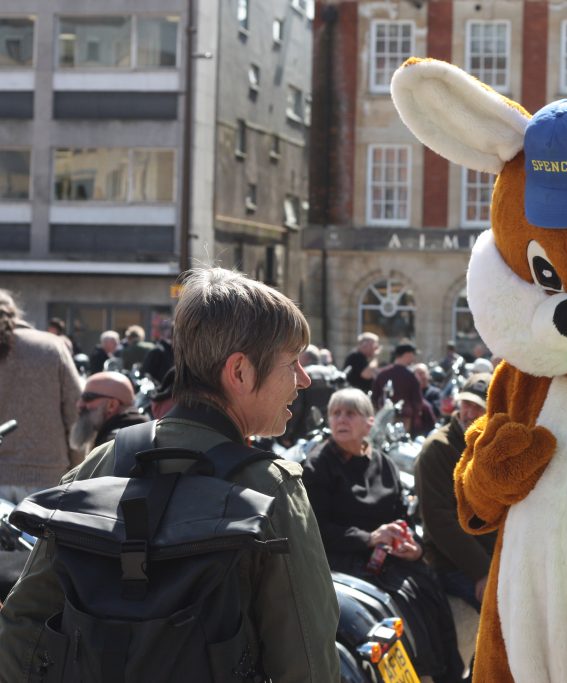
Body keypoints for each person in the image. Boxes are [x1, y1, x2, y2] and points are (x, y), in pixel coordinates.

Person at [0, 268, 341, 683]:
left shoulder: (99, 465)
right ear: (239, 372)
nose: (303, 380)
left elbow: (23, 623)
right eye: (293, 362)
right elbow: (307, 662)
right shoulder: (272, 490)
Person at [302, 388, 463, 682]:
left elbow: (400, 513)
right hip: (342, 557)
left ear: (369, 423)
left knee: (426, 583)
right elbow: (316, 529)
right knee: (395, 600)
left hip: (387, 553)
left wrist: (409, 544)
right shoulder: (317, 466)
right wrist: (368, 538)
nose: (341, 419)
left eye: (350, 413)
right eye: (336, 413)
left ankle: (444, 671)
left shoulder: (384, 463)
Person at [416, 373, 496, 610]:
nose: (469, 413)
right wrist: (481, 570)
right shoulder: (438, 448)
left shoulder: (492, 444)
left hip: (494, 555)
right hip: (452, 563)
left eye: (478, 407)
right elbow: (439, 520)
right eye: (466, 404)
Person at [0, 290, 83, 503]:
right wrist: (78, 465)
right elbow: (76, 411)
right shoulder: (51, 346)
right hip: (48, 472)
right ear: (15, 313)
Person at [69, 371, 148, 453]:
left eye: (88, 398)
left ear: (112, 405)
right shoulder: (143, 431)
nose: (79, 404)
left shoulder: (115, 444)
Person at [280, 344, 343, 446]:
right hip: (329, 430)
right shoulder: (332, 373)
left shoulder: (303, 376)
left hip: (304, 433)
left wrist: (287, 434)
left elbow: (296, 408)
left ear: (305, 357)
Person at [371, 343, 426, 436]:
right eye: (413, 355)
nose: (414, 359)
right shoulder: (411, 376)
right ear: (407, 354)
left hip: (383, 418)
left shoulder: (382, 374)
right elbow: (417, 401)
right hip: (404, 419)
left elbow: (374, 398)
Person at [141, 318, 174, 383]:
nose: (169, 332)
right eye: (166, 329)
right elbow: (147, 374)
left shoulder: (176, 350)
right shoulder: (157, 351)